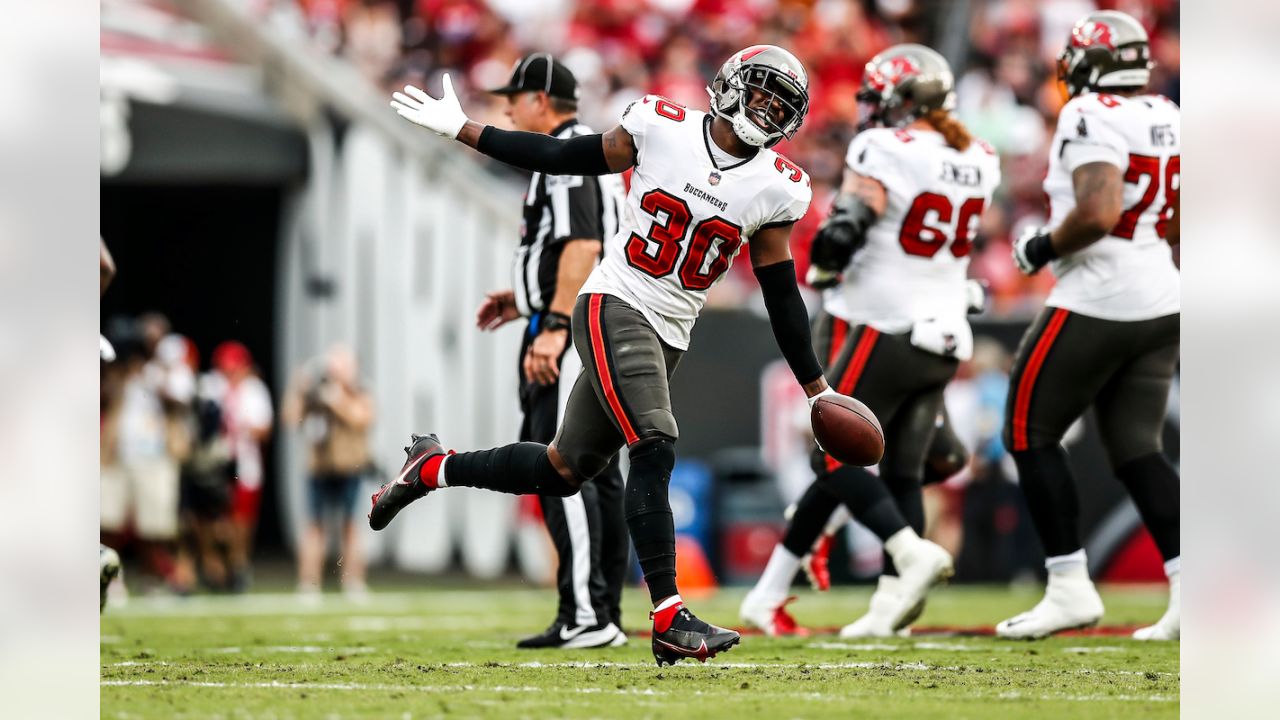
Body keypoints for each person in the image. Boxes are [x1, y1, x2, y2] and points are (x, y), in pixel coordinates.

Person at [378, 45, 844, 666]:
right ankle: (670, 614)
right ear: (729, 86)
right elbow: (562, 154)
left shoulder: (777, 188)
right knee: (654, 441)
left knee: (562, 468)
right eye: (757, 93)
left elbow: (783, 295)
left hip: (671, 331)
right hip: (614, 303)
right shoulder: (663, 127)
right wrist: (465, 129)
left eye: (777, 104)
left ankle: (432, 467)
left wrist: (817, 389)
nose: (763, 109)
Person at [737, 45, 1001, 638]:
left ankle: (907, 552)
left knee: (831, 452)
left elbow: (851, 223)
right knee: (902, 471)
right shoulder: (979, 156)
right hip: (947, 334)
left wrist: (830, 255)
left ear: (906, 102)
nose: (872, 109)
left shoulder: (883, 149)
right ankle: (876, 606)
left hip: (886, 323)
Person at [998, 10, 1180, 640]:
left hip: (1101, 294)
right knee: (1138, 450)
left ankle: (1069, 584)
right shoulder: (1166, 113)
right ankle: (1191, 592)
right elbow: (1178, 218)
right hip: (1162, 291)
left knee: (1027, 427)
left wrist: (1040, 248)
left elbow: (1098, 211)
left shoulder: (1088, 113)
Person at [473, 55, 630, 649]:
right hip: (587, 321)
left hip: (572, 327)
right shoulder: (583, 151)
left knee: (557, 466)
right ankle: (600, 613)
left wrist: (553, 323)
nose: (507, 109)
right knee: (596, 471)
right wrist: (526, 298)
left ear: (542, 99)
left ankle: (587, 614)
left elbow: (583, 243)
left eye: (515, 97)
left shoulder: (569, 152)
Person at [282, 345, 374, 598]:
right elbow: (290, 418)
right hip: (319, 468)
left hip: (350, 467)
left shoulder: (359, 391)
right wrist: (299, 387)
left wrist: (336, 399)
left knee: (351, 526)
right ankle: (309, 583)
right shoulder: (315, 394)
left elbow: (362, 419)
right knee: (314, 526)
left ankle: (353, 582)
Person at [209, 341, 274, 592]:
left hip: (245, 463)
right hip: (216, 463)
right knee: (215, 521)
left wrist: (243, 426)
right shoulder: (212, 387)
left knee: (242, 520)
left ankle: (238, 566)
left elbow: (264, 430)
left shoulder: (254, 390)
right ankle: (216, 566)